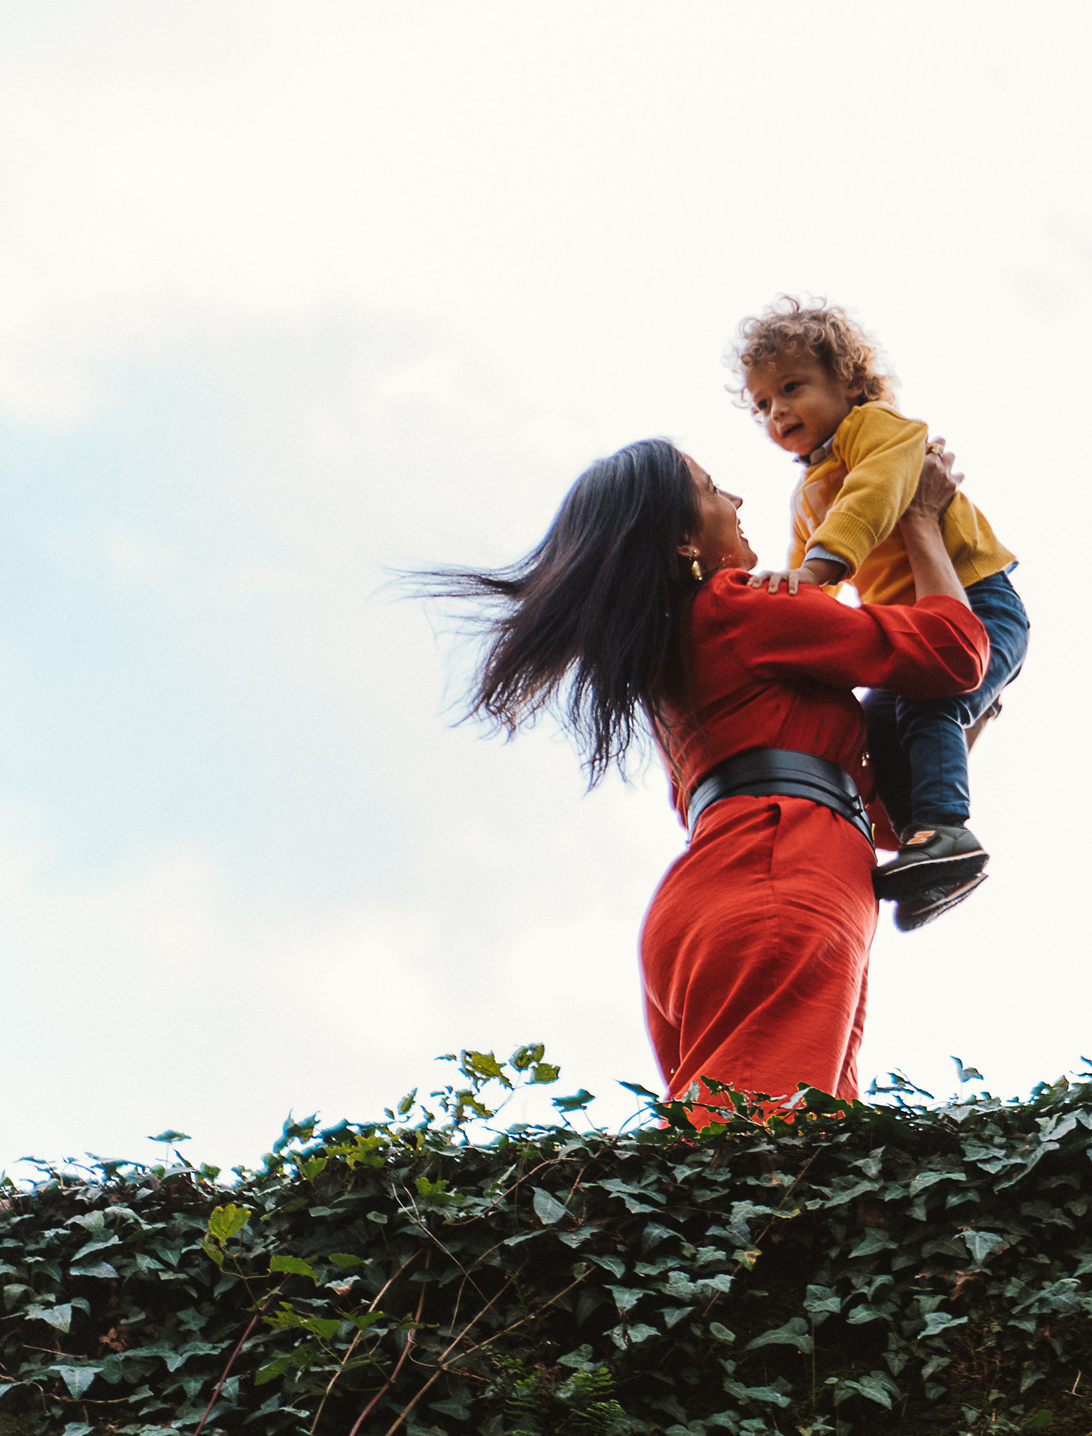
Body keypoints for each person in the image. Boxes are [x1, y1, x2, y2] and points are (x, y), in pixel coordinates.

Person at [417, 437, 988, 1112]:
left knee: (792, 1156)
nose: (737, 499)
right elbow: (954, 651)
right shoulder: (734, 605)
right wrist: (921, 520)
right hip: (779, 879)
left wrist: (952, 729)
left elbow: (883, 818)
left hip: (731, 891)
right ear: (684, 538)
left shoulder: (679, 659)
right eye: (713, 487)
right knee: (760, 1153)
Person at [729, 297, 1031, 930]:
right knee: (868, 734)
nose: (777, 410)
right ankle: (925, 853)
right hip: (914, 633)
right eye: (762, 404)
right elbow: (809, 586)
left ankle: (948, 829)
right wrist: (795, 616)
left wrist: (819, 567)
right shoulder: (810, 490)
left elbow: (874, 495)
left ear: (850, 384)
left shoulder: (879, 432)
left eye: (792, 388)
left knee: (932, 699)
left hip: (978, 605)